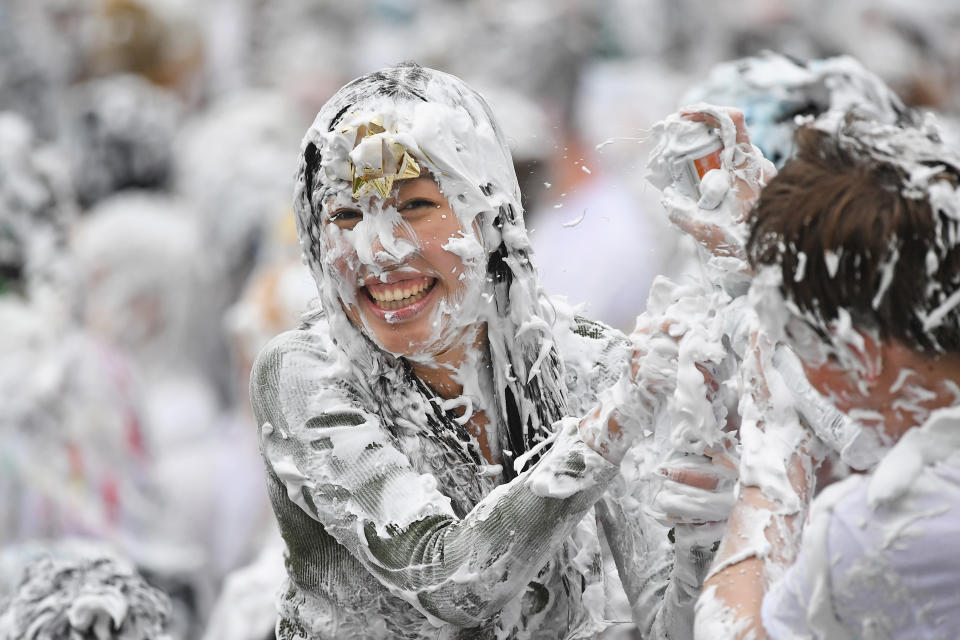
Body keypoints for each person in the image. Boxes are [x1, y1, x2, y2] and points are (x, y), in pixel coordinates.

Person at [250, 62, 730, 639]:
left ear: (490, 216)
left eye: (415, 206)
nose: (376, 250)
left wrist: (702, 534)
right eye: (345, 215)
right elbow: (450, 583)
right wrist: (605, 432)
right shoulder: (305, 373)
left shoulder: (588, 365)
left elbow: (665, 622)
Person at [697, 112, 960, 638]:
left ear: (861, 355)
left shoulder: (889, 530)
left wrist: (772, 454)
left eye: (797, 342)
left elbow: (735, 630)